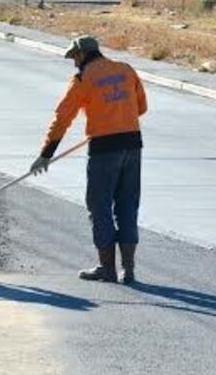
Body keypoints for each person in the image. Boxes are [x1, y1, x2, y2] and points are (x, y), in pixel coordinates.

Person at [30, 36, 147, 284]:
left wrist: (46, 155)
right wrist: (116, 116)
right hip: (133, 145)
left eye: (74, 58)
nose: (74, 64)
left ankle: (107, 269)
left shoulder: (84, 78)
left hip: (104, 149)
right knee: (128, 205)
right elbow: (141, 107)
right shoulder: (126, 70)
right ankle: (129, 270)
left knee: (100, 205)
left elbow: (63, 118)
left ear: (82, 55)